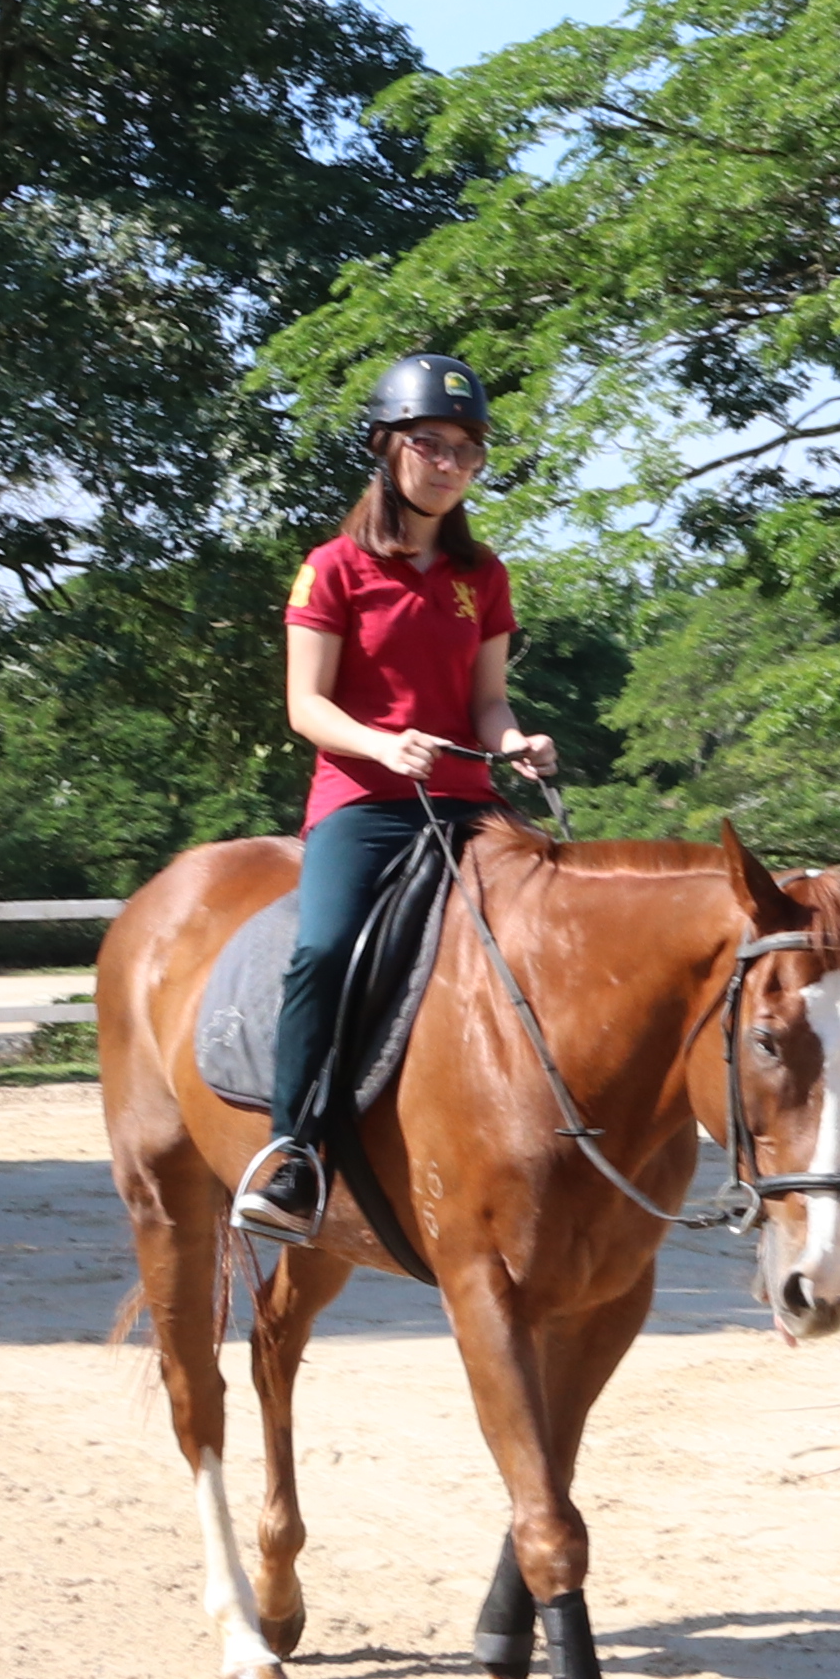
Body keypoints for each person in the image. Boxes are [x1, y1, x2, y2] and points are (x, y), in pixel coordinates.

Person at [236, 354, 556, 1239]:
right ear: (385, 448)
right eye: (432, 445)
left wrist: (515, 742)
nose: (451, 464)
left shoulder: (482, 575)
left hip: (468, 804)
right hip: (364, 804)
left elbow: (486, 703)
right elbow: (307, 707)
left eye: (468, 449)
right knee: (326, 949)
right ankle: (293, 1151)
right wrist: (384, 745)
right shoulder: (333, 568)